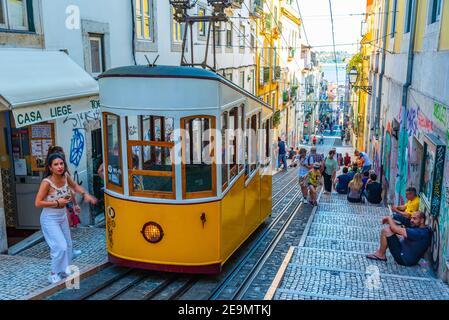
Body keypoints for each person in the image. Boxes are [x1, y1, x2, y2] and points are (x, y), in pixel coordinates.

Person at [35, 152, 97, 284]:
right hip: (49, 218)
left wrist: (85, 195)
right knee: (60, 246)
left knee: (68, 245)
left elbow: (74, 187)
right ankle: (53, 273)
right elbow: (38, 203)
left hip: (62, 216)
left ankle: (63, 271)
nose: (59, 167)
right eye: (56, 164)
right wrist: (57, 203)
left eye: (61, 163)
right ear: (50, 168)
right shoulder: (46, 183)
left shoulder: (66, 177)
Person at [367, 212, 431, 266]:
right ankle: (380, 252)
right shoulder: (424, 230)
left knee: (386, 230)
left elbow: (394, 228)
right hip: (409, 257)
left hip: (404, 259)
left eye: (414, 218)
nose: (411, 220)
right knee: (394, 234)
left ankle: (381, 255)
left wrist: (389, 218)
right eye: (411, 218)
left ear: (422, 220)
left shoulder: (419, 233)